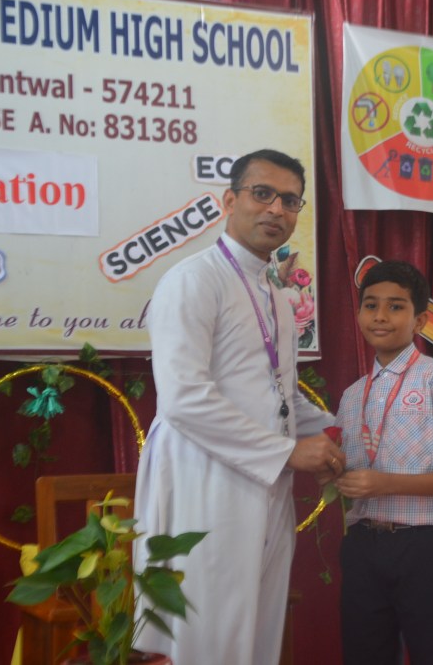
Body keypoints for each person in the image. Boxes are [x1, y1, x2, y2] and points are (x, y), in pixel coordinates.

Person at [133, 149, 345, 665]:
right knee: (206, 631)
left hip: (265, 483)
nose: (276, 209)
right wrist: (288, 453)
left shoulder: (276, 295)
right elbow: (183, 398)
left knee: (258, 627)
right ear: (229, 201)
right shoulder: (193, 280)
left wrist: (343, 433)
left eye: (290, 200)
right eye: (262, 194)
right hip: (204, 480)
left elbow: (282, 395)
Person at [335, 260, 433, 665]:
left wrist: (385, 483)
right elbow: (349, 469)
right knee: (364, 656)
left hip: (424, 545)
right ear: (359, 314)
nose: (381, 316)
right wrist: (332, 470)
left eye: (396, 306)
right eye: (371, 305)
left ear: (420, 321)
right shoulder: (352, 395)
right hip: (362, 544)